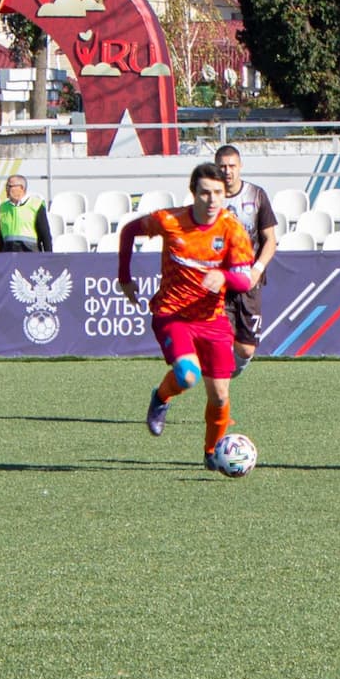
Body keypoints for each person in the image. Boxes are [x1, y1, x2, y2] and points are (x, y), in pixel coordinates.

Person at [122, 163, 257, 472]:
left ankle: (212, 452)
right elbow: (129, 230)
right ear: (193, 192)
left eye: (219, 193)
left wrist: (223, 277)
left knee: (220, 396)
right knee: (187, 375)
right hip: (172, 314)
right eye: (205, 193)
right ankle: (161, 397)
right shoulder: (170, 221)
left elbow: (244, 280)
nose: (212, 200)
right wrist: (124, 277)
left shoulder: (232, 229)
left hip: (212, 320)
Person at [213, 146, 279, 379]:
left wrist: (257, 270)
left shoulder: (256, 195)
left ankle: (229, 374)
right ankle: (219, 387)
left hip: (249, 283)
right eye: (222, 166)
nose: (227, 171)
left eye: (231, 166)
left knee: (246, 348)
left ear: (240, 167)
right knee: (219, 342)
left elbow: (270, 240)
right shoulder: (210, 197)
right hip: (220, 283)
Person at [0, 175, 54, 253]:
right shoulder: (3, 207)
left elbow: (45, 235)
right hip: (8, 255)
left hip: (30, 254)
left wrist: (49, 258)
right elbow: (0, 237)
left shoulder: (36, 205)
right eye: (6, 186)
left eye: (10, 186)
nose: (6, 189)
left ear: (21, 188)